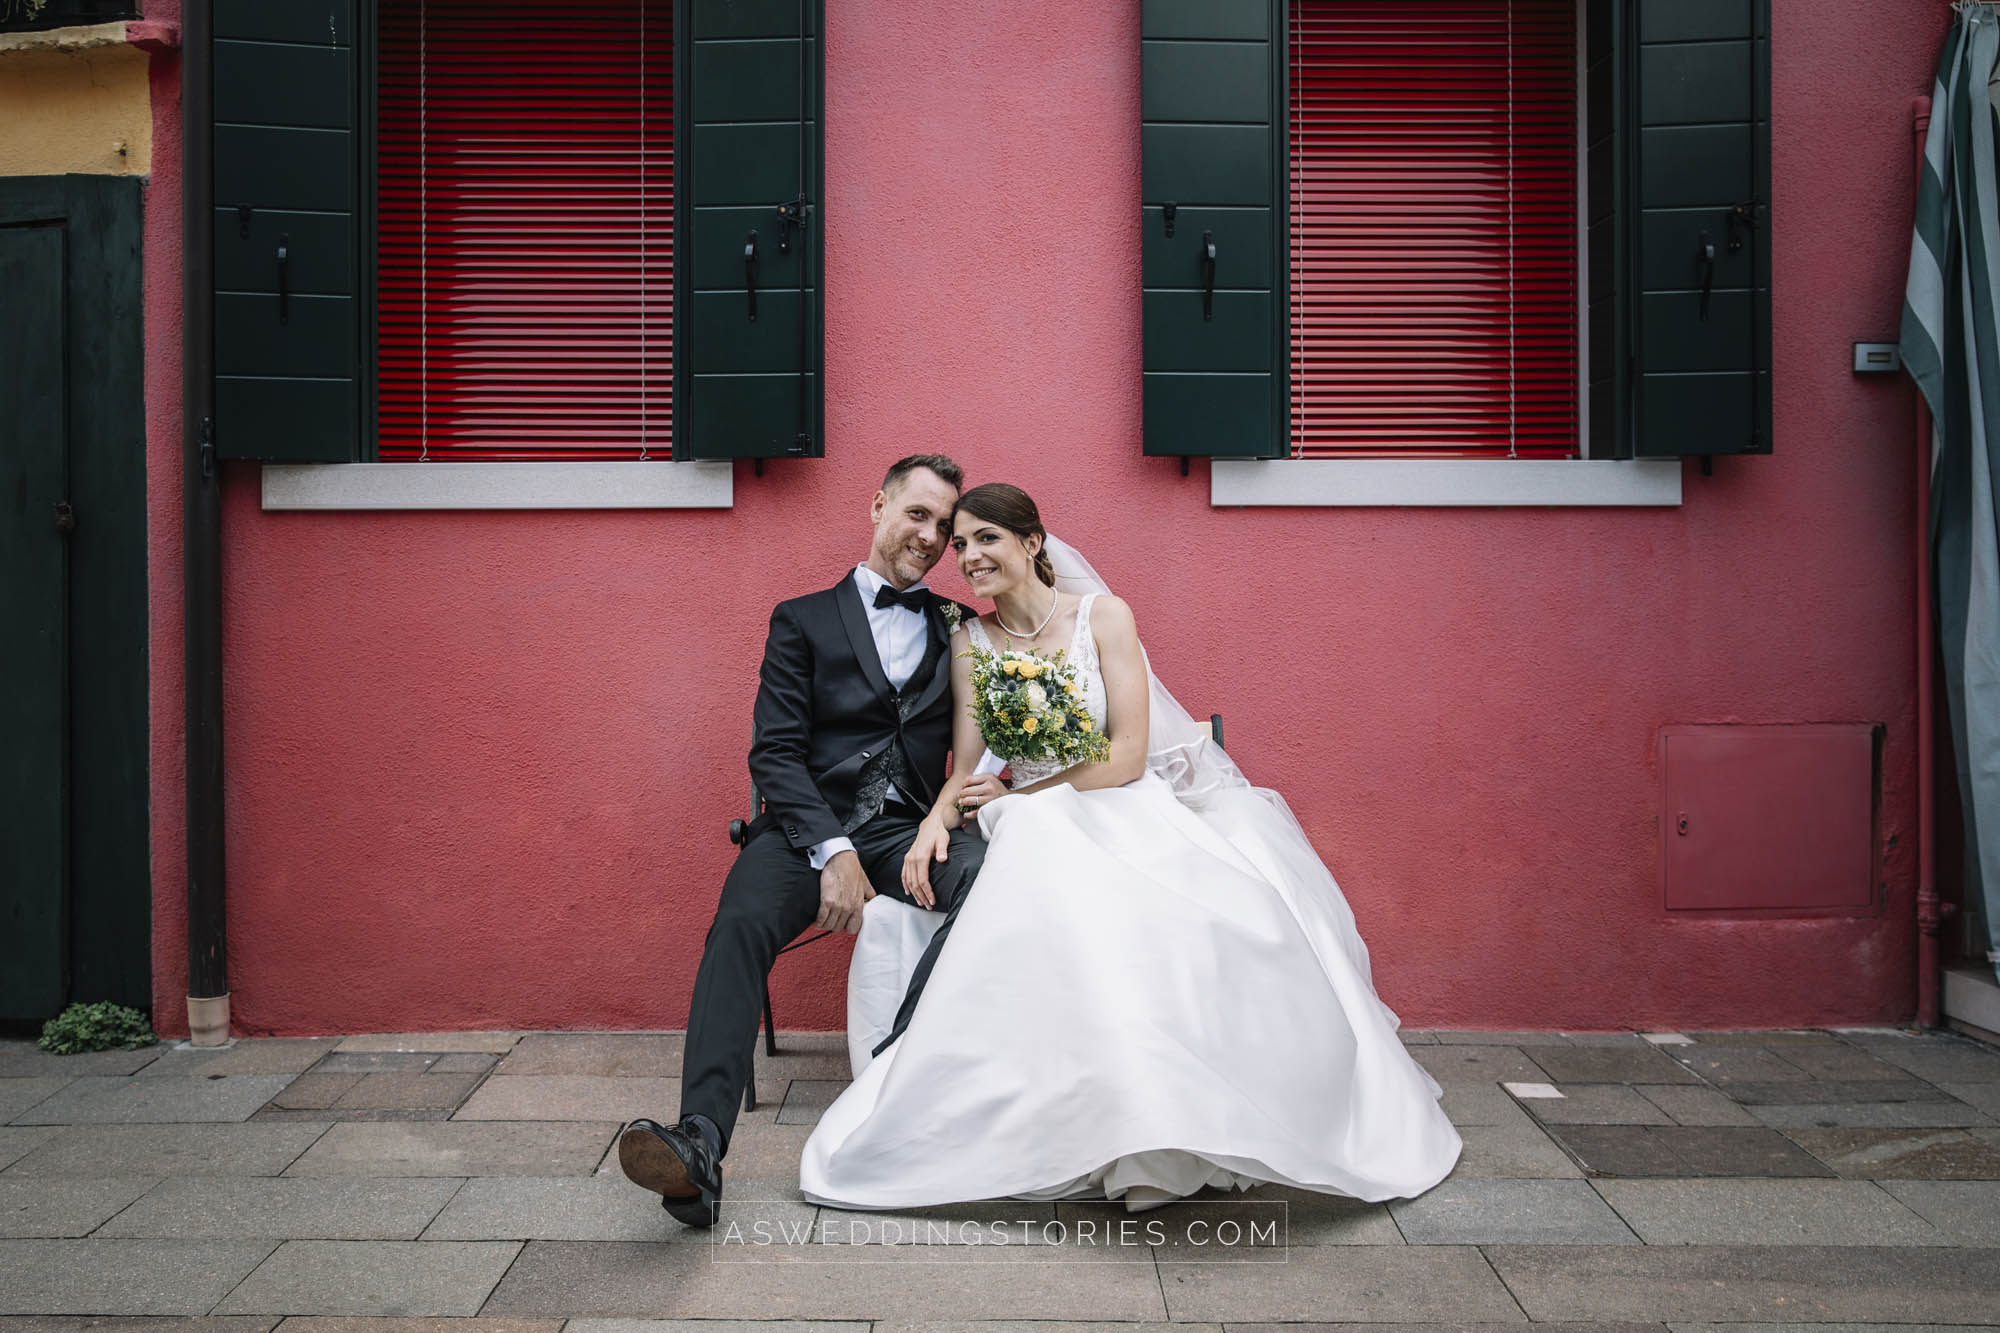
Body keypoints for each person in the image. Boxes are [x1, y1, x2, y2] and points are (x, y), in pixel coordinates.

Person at [800, 483, 1462, 1209]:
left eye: (986, 538)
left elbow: (1127, 755)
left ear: (1032, 541)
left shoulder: (1104, 616)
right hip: (1030, 818)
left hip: (1114, 801)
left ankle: (1183, 1111)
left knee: (1172, 906)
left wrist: (1022, 797)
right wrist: (935, 820)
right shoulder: (970, 641)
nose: (968, 556)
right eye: (960, 545)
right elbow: (965, 765)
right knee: (1034, 848)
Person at [618, 455, 987, 1228]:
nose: (930, 536)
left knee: (997, 886)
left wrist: (942, 818)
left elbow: (980, 741)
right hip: (804, 829)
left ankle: (906, 1091)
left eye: (944, 525)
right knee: (739, 923)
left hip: (911, 830)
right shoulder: (801, 619)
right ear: (878, 505)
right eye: (917, 514)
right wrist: (833, 850)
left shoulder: (961, 625)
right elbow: (775, 752)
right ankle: (699, 1143)